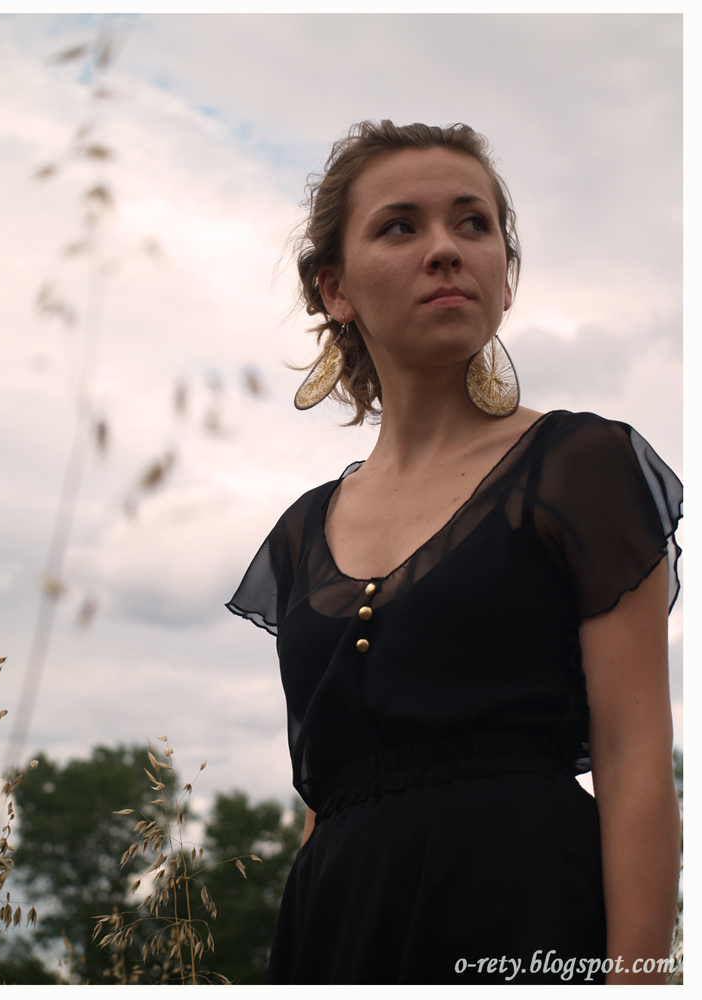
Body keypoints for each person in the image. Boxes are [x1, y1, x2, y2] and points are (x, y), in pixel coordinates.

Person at [226, 121, 682, 985]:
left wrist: (639, 983)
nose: (445, 249)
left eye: (473, 223)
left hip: (524, 913)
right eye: (400, 226)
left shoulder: (580, 466)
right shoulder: (300, 533)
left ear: (504, 277)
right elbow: (328, 796)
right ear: (335, 288)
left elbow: (634, 763)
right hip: (338, 930)